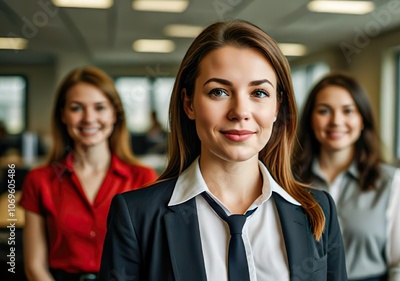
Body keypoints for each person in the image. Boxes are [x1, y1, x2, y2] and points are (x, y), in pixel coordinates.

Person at [99, 20, 348, 281]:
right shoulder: (137, 215)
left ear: (277, 106)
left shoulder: (318, 210)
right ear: (189, 103)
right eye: (218, 91)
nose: (240, 111)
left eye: (259, 93)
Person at [20, 66, 158, 281]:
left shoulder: (143, 178)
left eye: (100, 107)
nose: (88, 118)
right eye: (76, 108)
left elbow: (153, 259)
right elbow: (34, 267)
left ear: (115, 114)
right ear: (62, 115)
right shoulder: (39, 181)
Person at [293, 72, 400, 281]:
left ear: (362, 119)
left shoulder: (391, 182)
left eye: (348, 111)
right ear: (310, 119)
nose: (336, 121)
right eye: (324, 111)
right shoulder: (287, 180)